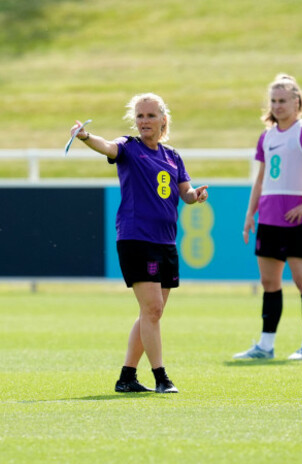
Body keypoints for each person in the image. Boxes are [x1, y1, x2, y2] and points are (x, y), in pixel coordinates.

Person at [70, 93, 208, 393]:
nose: (144, 121)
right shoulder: (129, 148)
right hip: (136, 237)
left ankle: (126, 377)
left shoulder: (172, 156)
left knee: (152, 313)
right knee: (153, 309)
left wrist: (195, 196)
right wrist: (85, 136)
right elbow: (107, 146)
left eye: (150, 116)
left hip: (166, 241)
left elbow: (184, 193)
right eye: (140, 116)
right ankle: (161, 377)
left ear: (163, 120)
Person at [235, 74, 302, 361]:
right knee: (269, 283)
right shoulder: (266, 136)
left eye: (283, 100)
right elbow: (261, 180)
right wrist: (249, 215)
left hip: (296, 221)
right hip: (268, 219)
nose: (277, 106)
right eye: (273, 101)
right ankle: (266, 345)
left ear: (296, 102)